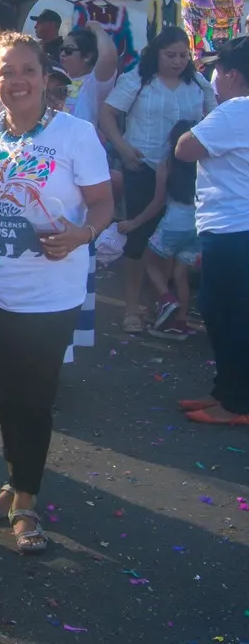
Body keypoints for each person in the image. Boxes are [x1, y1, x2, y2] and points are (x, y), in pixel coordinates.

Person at [0, 32, 113, 554]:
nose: (17, 80)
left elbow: (102, 206)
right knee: (6, 397)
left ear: (47, 77)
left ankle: (26, 502)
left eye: (28, 69)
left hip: (51, 295)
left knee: (35, 400)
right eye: (6, 71)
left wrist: (81, 235)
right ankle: (15, 481)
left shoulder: (76, 135)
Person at [100, 27, 216, 332]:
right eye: (170, 55)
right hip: (142, 166)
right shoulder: (138, 79)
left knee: (169, 240)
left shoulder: (197, 83)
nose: (177, 62)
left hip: (181, 172)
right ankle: (132, 307)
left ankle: (160, 305)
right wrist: (122, 147)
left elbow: (213, 115)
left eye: (183, 56)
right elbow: (108, 113)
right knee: (139, 237)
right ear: (157, 53)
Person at [173, 36, 249, 426]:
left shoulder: (236, 109)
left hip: (234, 228)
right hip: (235, 227)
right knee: (225, 313)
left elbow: (185, 147)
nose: (213, 78)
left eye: (218, 71)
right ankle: (227, 391)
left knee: (228, 314)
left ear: (233, 75)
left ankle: (236, 403)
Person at [118, 120, 199, 340]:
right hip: (197, 225)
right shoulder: (204, 164)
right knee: (181, 274)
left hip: (174, 223)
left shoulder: (167, 165)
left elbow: (158, 202)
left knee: (147, 260)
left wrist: (134, 223)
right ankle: (180, 323)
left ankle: (165, 298)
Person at [56, 22, 118, 127]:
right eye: (61, 49)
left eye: (68, 50)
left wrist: (97, 29)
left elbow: (108, 56)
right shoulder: (57, 78)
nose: (62, 54)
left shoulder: (94, 83)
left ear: (88, 56)